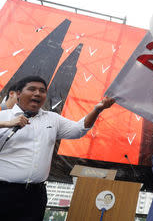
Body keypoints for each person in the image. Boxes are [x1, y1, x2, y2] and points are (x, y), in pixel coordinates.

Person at [0, 75, 115, 221]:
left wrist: (97, 110)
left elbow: (78, 130)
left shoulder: (52, 119)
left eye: (42, 91)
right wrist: (6, 124)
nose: (37, 93)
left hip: (35, 195)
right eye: (32, 89)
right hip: (4, 191)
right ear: (18, 93)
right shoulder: (3, 116)